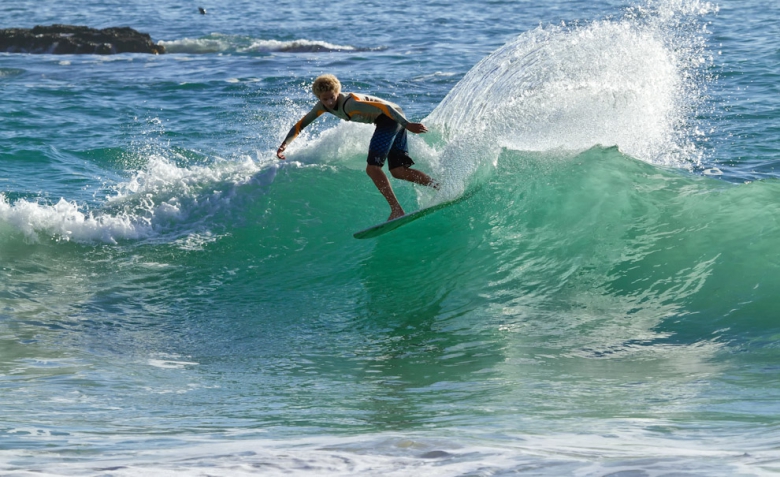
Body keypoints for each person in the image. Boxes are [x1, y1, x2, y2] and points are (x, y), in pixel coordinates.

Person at [276, 74, 437, 221]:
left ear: (337, 92)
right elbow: (300, 125)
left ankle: (396, 210)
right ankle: (439, 187)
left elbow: (385, 108)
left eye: (332, 97)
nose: (330, 103)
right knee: (398, 171)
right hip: (395, 117)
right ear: (319, 98)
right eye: (325, 99)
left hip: (390, 118)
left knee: (372, 168)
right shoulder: (322, 106)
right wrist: (284, 145)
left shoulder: (351, 104)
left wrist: (407, 124)